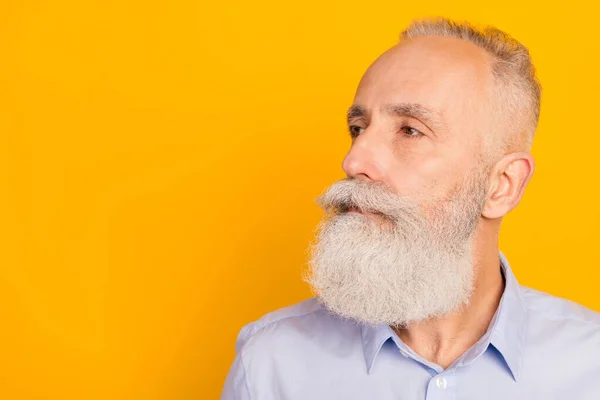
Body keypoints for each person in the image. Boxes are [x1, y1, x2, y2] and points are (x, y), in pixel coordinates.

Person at [220, 17, 600, 399]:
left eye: (410, 130)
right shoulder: (271, 362)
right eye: (358, 127)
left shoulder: (590, 364)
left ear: (502, 186)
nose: (353, 162)